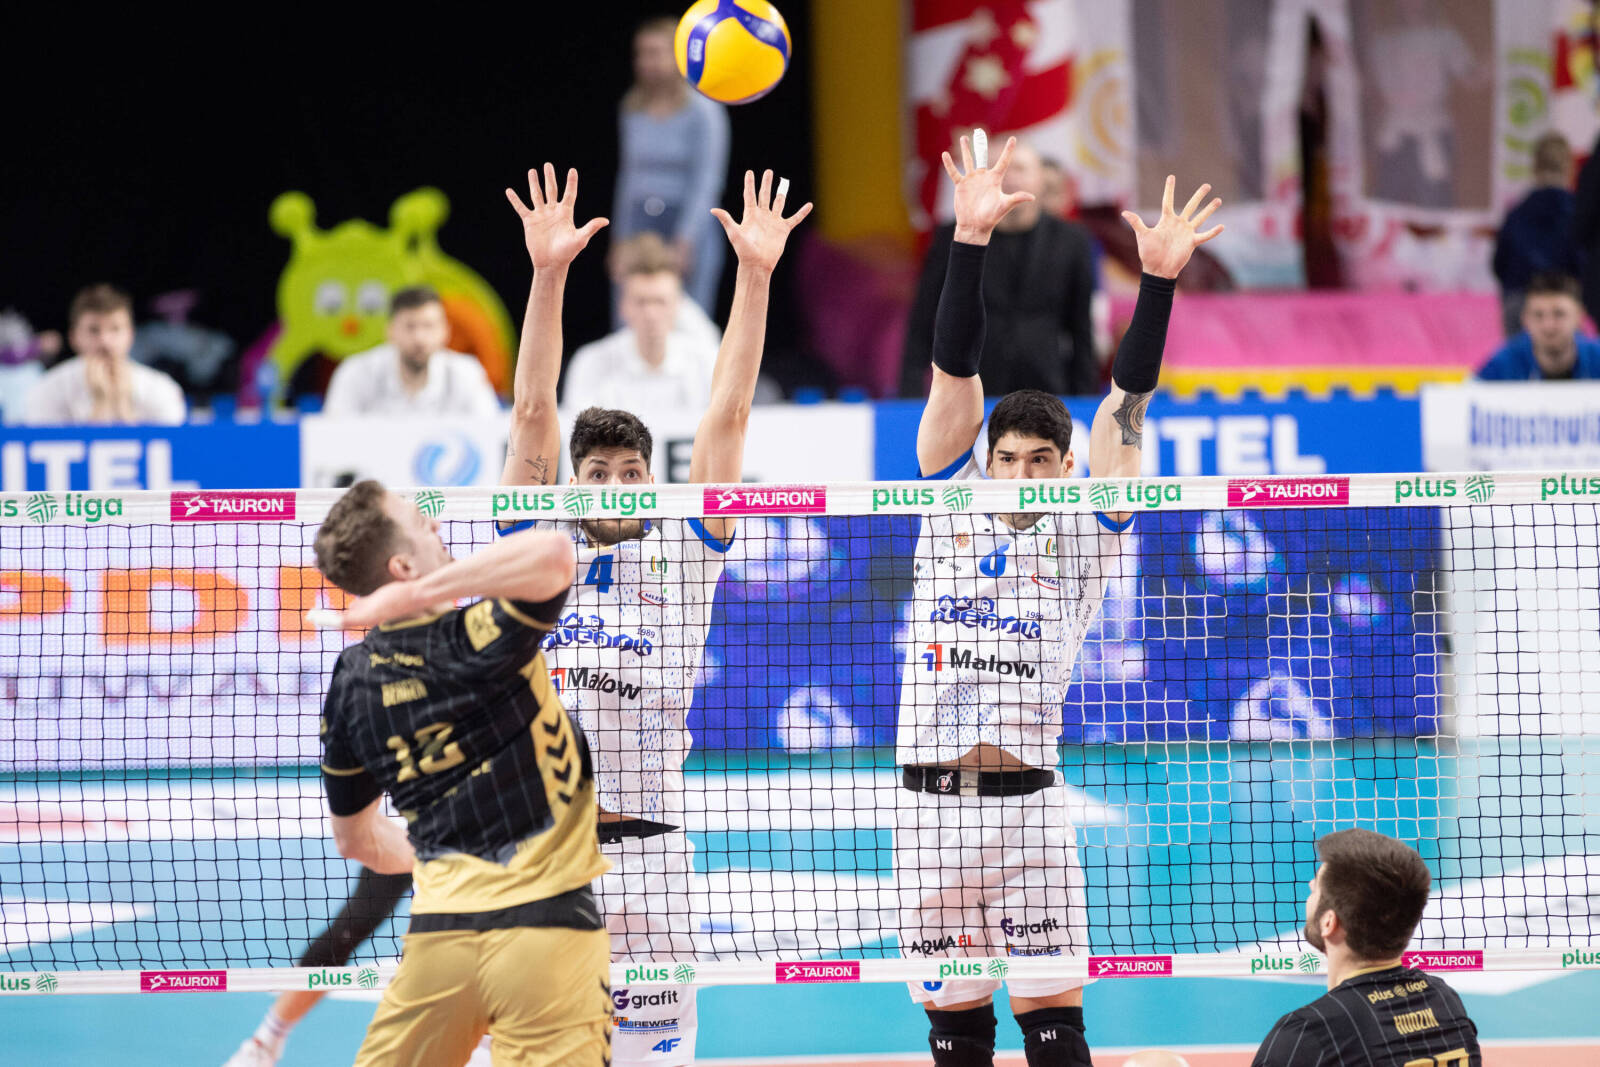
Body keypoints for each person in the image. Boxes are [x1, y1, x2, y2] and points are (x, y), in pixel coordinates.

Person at [896, 132, 1220, 1067]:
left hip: (1032, 813)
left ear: (1068, 466)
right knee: (958, 1037)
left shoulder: (1087, 529)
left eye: (1044, 460)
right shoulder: (947, 501)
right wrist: (969, 240)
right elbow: (953, 368)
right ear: (984, 462)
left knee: (1055, 1030)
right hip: (929, 813)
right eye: (1009, 459)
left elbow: (1128, 402)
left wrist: (1157, 284)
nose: (1025, 474)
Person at [502, 162, 809, 1067]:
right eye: (595, 473)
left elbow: (730, 409)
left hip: (653, 860)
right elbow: (532, 409)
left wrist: (754, 274)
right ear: (573, 482)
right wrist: (548, 274)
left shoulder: (688, 548)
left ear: (652, 479)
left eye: (629, 473)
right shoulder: (536, 546)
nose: (611, 485)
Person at [305, 479, 609, 1067]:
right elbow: (554, 553)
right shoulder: (479, 635)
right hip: (547, 931)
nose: (437, 526)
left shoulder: (351, 682)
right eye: (421, 523)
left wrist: (445, 864)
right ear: (402, 568)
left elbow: (356, 841)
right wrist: (420, 594)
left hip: (440, 940)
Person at [1252, 829, 1482, 1066]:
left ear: (1329, 923)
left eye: (1317, 887)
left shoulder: (1309, 1032)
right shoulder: (1444, 1000)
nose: (1311, 884)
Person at [900, 137, 1098, 399]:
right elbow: (924, 318)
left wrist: (1085, 398)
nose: (1009, 177)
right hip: (972, 387)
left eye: (1020, 168)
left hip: (1047, 386)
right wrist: (910, 391)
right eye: (999, 167)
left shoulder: (1072, 241)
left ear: (1042, 178)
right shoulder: (954, 236)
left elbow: (1082, 325)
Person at [612, 16, 731, 318]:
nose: (646, 62)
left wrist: (685, 239)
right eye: (641, 54)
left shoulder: (704, 111)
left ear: (678, 56)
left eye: (655, 53)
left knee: (687, 316)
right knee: (632, 313)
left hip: (687, 222)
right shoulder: (632, 107)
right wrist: (620, 240)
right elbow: (628, 176)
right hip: (640, 221)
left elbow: (707, 180)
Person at [564, 234, 722, 414]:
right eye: (641, 302)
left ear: (679, 306)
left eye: (660, 302)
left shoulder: (706, 362)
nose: (650, 314)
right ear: (623, 306)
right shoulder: (591, 363)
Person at [321, 286, 502, 417]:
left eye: (428, 326)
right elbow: (334, 437)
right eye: (410, 326)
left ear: (445, 331)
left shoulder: (467, 373)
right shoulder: (355, 372)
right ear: (390, 331)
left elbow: (488, 435)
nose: (419, 338)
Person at [20, 284, 186, 425]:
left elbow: (174, 446)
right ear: (73, 337)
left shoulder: (162, 389)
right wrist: (100, 404)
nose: (105, 341)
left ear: (131, 335)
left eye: (115, 329)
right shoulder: (47, 389)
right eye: (94, 330)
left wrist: (123, 405)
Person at [1492, 133, 1580, 336]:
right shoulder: (1577, 212)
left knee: (1519, 356)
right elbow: (1583, 263)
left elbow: (1499, 264)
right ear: (1569, 168)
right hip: (1562, 302)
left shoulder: (1517, 212)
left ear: (1534, 167)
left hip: (1520, 301)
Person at [1476, 272, 1600, 380]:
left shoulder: (1596, 357)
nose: (1548, 326)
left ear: (1579, 316)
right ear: (1525, 319)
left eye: (1559, 314)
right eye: (1538, 315)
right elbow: (1471, 393)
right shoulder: (1502, 365)